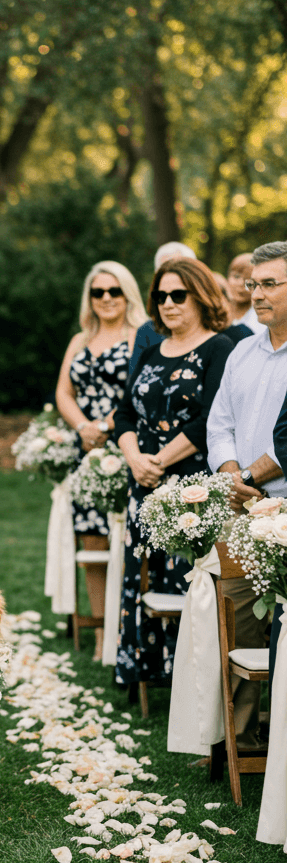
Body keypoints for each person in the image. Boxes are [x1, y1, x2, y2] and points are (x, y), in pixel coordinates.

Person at [114, 257, 233, 693]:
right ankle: (143, 670)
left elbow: (209, 420)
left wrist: (159, 461)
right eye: (160, 296)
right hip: (142, 483)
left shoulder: (219, 348)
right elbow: (125, 413)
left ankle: (188, 680)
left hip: (190, 489)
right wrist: (135, 460)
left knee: (182, 577)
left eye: (177, 295)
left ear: (201, 297)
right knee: (140, 573)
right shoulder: (149, 351)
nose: (167, 303)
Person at [207, 241, 287, 745]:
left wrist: (254, 479)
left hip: (283, 501)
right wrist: (233, 475)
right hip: (242, 504)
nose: (255, 293)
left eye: (269, 284)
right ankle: (239, 737)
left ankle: (278, 733)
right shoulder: (243, 349)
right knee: (236, 613)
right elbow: (220, 423)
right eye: (252, 284)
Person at [55, 262, 145, 659]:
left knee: (125, 540)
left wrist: (105, 427)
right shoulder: (80, 339)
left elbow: (139, 391)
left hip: (125, 445)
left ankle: (129, 629)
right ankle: (99, 634)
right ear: (89, 299)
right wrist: (82, 429)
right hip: (86, 451)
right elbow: (63, 392)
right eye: (98, 292)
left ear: (128, 295)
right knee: (92, 540)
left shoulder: (140, 336)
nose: (106, 298)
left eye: (114, 291)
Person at [128, 242, 197, 375]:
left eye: (181, 268)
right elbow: (133, 384)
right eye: (164, 269)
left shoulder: (216, 334)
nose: (172, 273)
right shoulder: (147, 331)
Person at [227, 252, 261, 333]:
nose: (241, 284)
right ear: (228, 277)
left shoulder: (260, 319)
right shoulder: (217, 311)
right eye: (236, 276)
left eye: (249, 280)